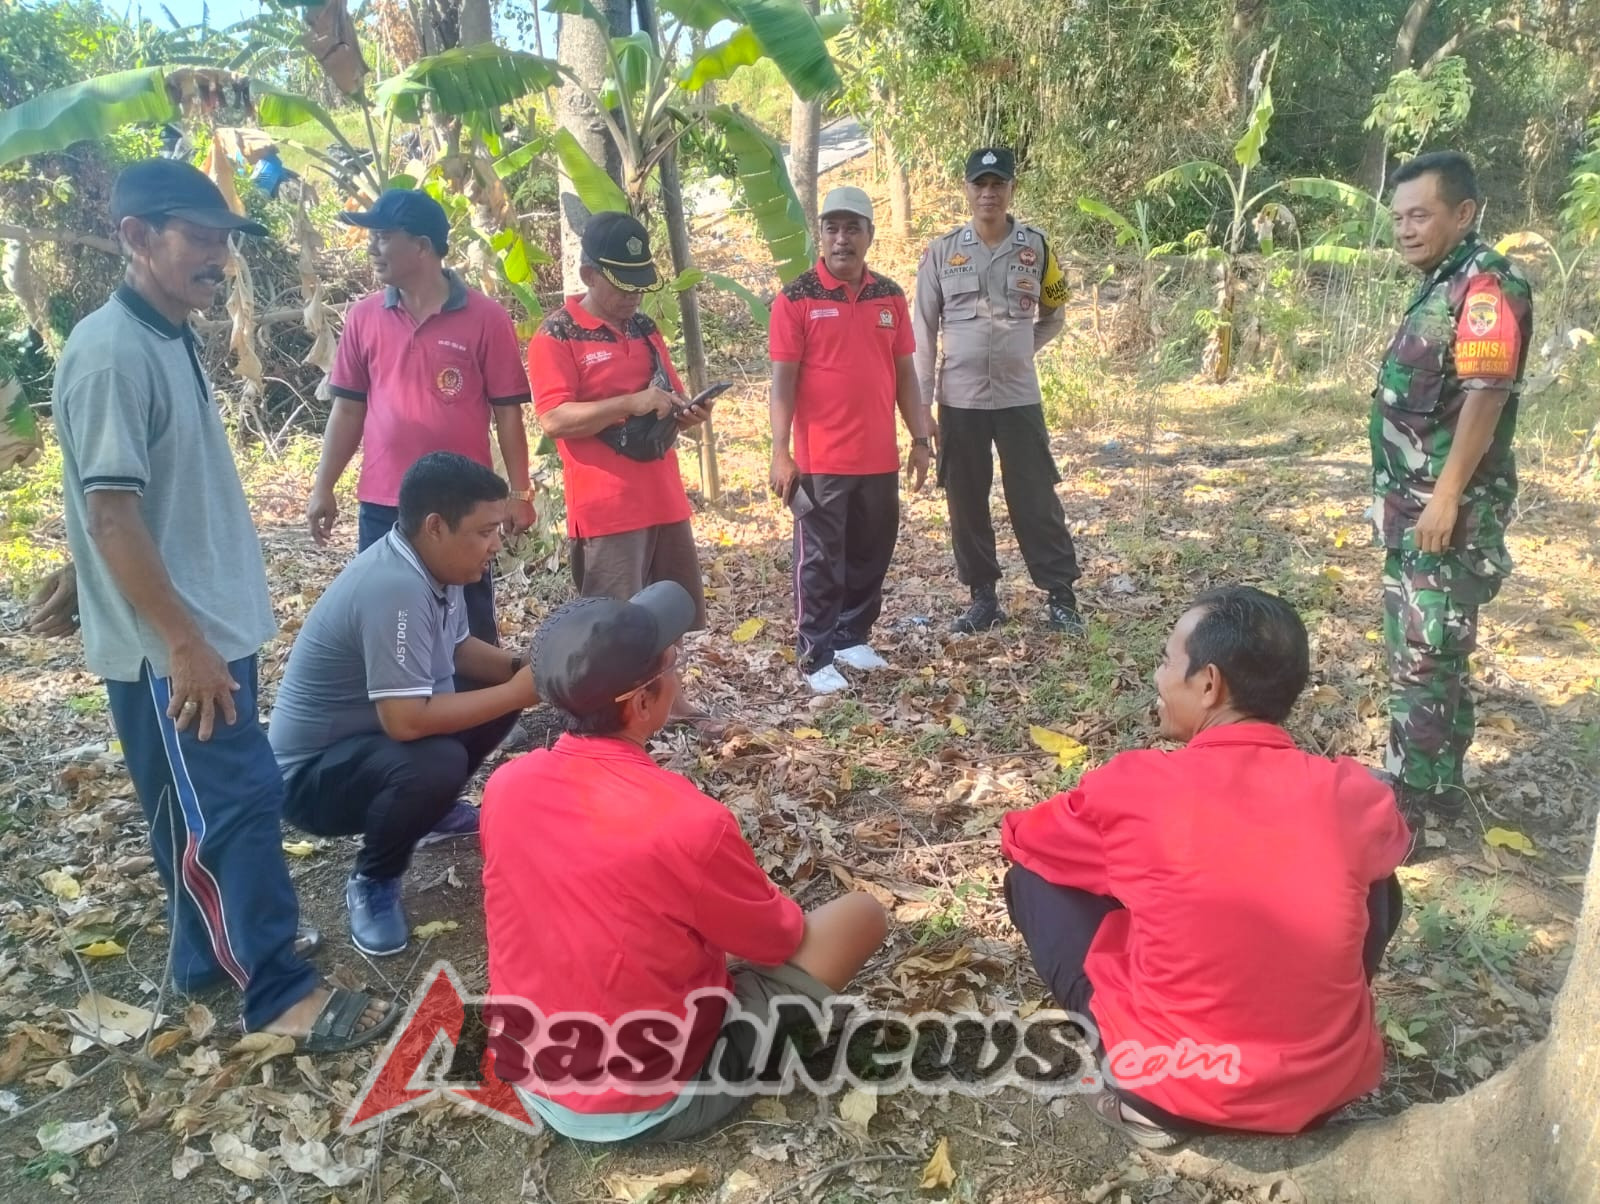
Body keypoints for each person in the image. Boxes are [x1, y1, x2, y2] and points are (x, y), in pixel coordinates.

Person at [48, 158, 395, 1052]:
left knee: (188, 806)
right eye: (198, 238)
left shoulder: (165, 334)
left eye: (225, 241)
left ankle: (206, 956)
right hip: (179, 642)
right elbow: (110, 512)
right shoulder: (111, 351)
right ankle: (277, 991)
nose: (219, 258)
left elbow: (120, 500)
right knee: (235, 801)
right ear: (136, 237)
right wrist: (182, 641)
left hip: (197, 625)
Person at [1001, 586, 1411, 1148]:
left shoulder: (1138, 787)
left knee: (1031, 875)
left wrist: (1132, 882)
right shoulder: (1355, 794)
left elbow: (1026, 838)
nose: (1159, 676)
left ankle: (1135, 1099)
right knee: (1376, 873)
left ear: (1209, 683)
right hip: (1323, 1092)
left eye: (1168, 661)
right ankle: (1310, 1033)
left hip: (1172, 1091)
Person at [479, 581, 887, 1142]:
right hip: (648, 1103)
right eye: (673, 665)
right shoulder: (690, 822)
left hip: (533, 1071)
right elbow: (775, 941)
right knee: (861, 914)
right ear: (644, 701)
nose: (679, 676)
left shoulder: (506, 785)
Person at [271, 453, 538, 957]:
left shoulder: (435, 566)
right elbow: (406, 721)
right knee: (437, 760)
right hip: (308, 783)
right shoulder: (394, 587)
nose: (496, 544)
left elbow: (459, 649)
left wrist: (525, 669)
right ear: (436, 527)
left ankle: (429, 814)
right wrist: (522, 690)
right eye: (484, 531)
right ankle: (373, 880)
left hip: (363, 747)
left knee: (499, 697)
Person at [306, 188, 536, 672]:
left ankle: (484, 718)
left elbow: (508, 413)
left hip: (463, 506)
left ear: (423, 246)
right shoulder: (364, 317)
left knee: (469, 617)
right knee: (387, 616)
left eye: (384, 236)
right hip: (384, 501)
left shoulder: (485, 317)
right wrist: (324, 486)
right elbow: (348, 410)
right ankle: (398, 715)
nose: (372, 248)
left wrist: (519, 492)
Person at [1372, 151, 1533, 822]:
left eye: (1422, 215)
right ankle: (1438, 790)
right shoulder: (1442, 279)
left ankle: (1414, 809)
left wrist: (1444, 496)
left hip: (1447, 509)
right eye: (1399, 217)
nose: (1406, 229)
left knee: (1423, 655)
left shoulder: (1487, 286)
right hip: (1412, 506)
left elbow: (1486, 397)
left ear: (1463, 213)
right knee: (1432, 652)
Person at [526, 211, 719, 725]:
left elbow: (666, 397)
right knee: (613, 622)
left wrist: (687, 414)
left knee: (672, 608)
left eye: (640, 283)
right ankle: (608, 718)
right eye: (621, 283)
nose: (634, 295)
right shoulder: (557, 335)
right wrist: (629, 403)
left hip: (662, 492)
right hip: (606, 504)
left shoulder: (644, 327)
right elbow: (554, 418)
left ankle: (668, 701)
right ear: (588, 274)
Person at [913, 148, 1084, 636]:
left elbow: (1055, 312)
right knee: (966, 499)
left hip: (1018, 397)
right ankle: (983, 598)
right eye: (979, 184)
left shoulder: (1037, 248)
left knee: (1034, 496)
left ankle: (1061, 597)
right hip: (960, 399)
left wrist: (1020, 351)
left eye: (998, 184)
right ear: (966, 189)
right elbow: (922, 332)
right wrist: (921, 408)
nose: (988, 193)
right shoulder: (943, 252)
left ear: (1012, 189)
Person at [768, 186, 931, 695]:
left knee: (871, 550)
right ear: (821, 235)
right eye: (833, 228)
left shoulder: (889, 296)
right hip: (821, 460)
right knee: (820, 560)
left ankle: (850, 635)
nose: (842, 239)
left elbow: (905, 373)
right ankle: (815, 653)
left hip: (878, 456)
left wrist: (920, 437)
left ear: (870, 235)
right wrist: (779, 450)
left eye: (852, 228)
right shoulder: (796, 298)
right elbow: (782, 382)